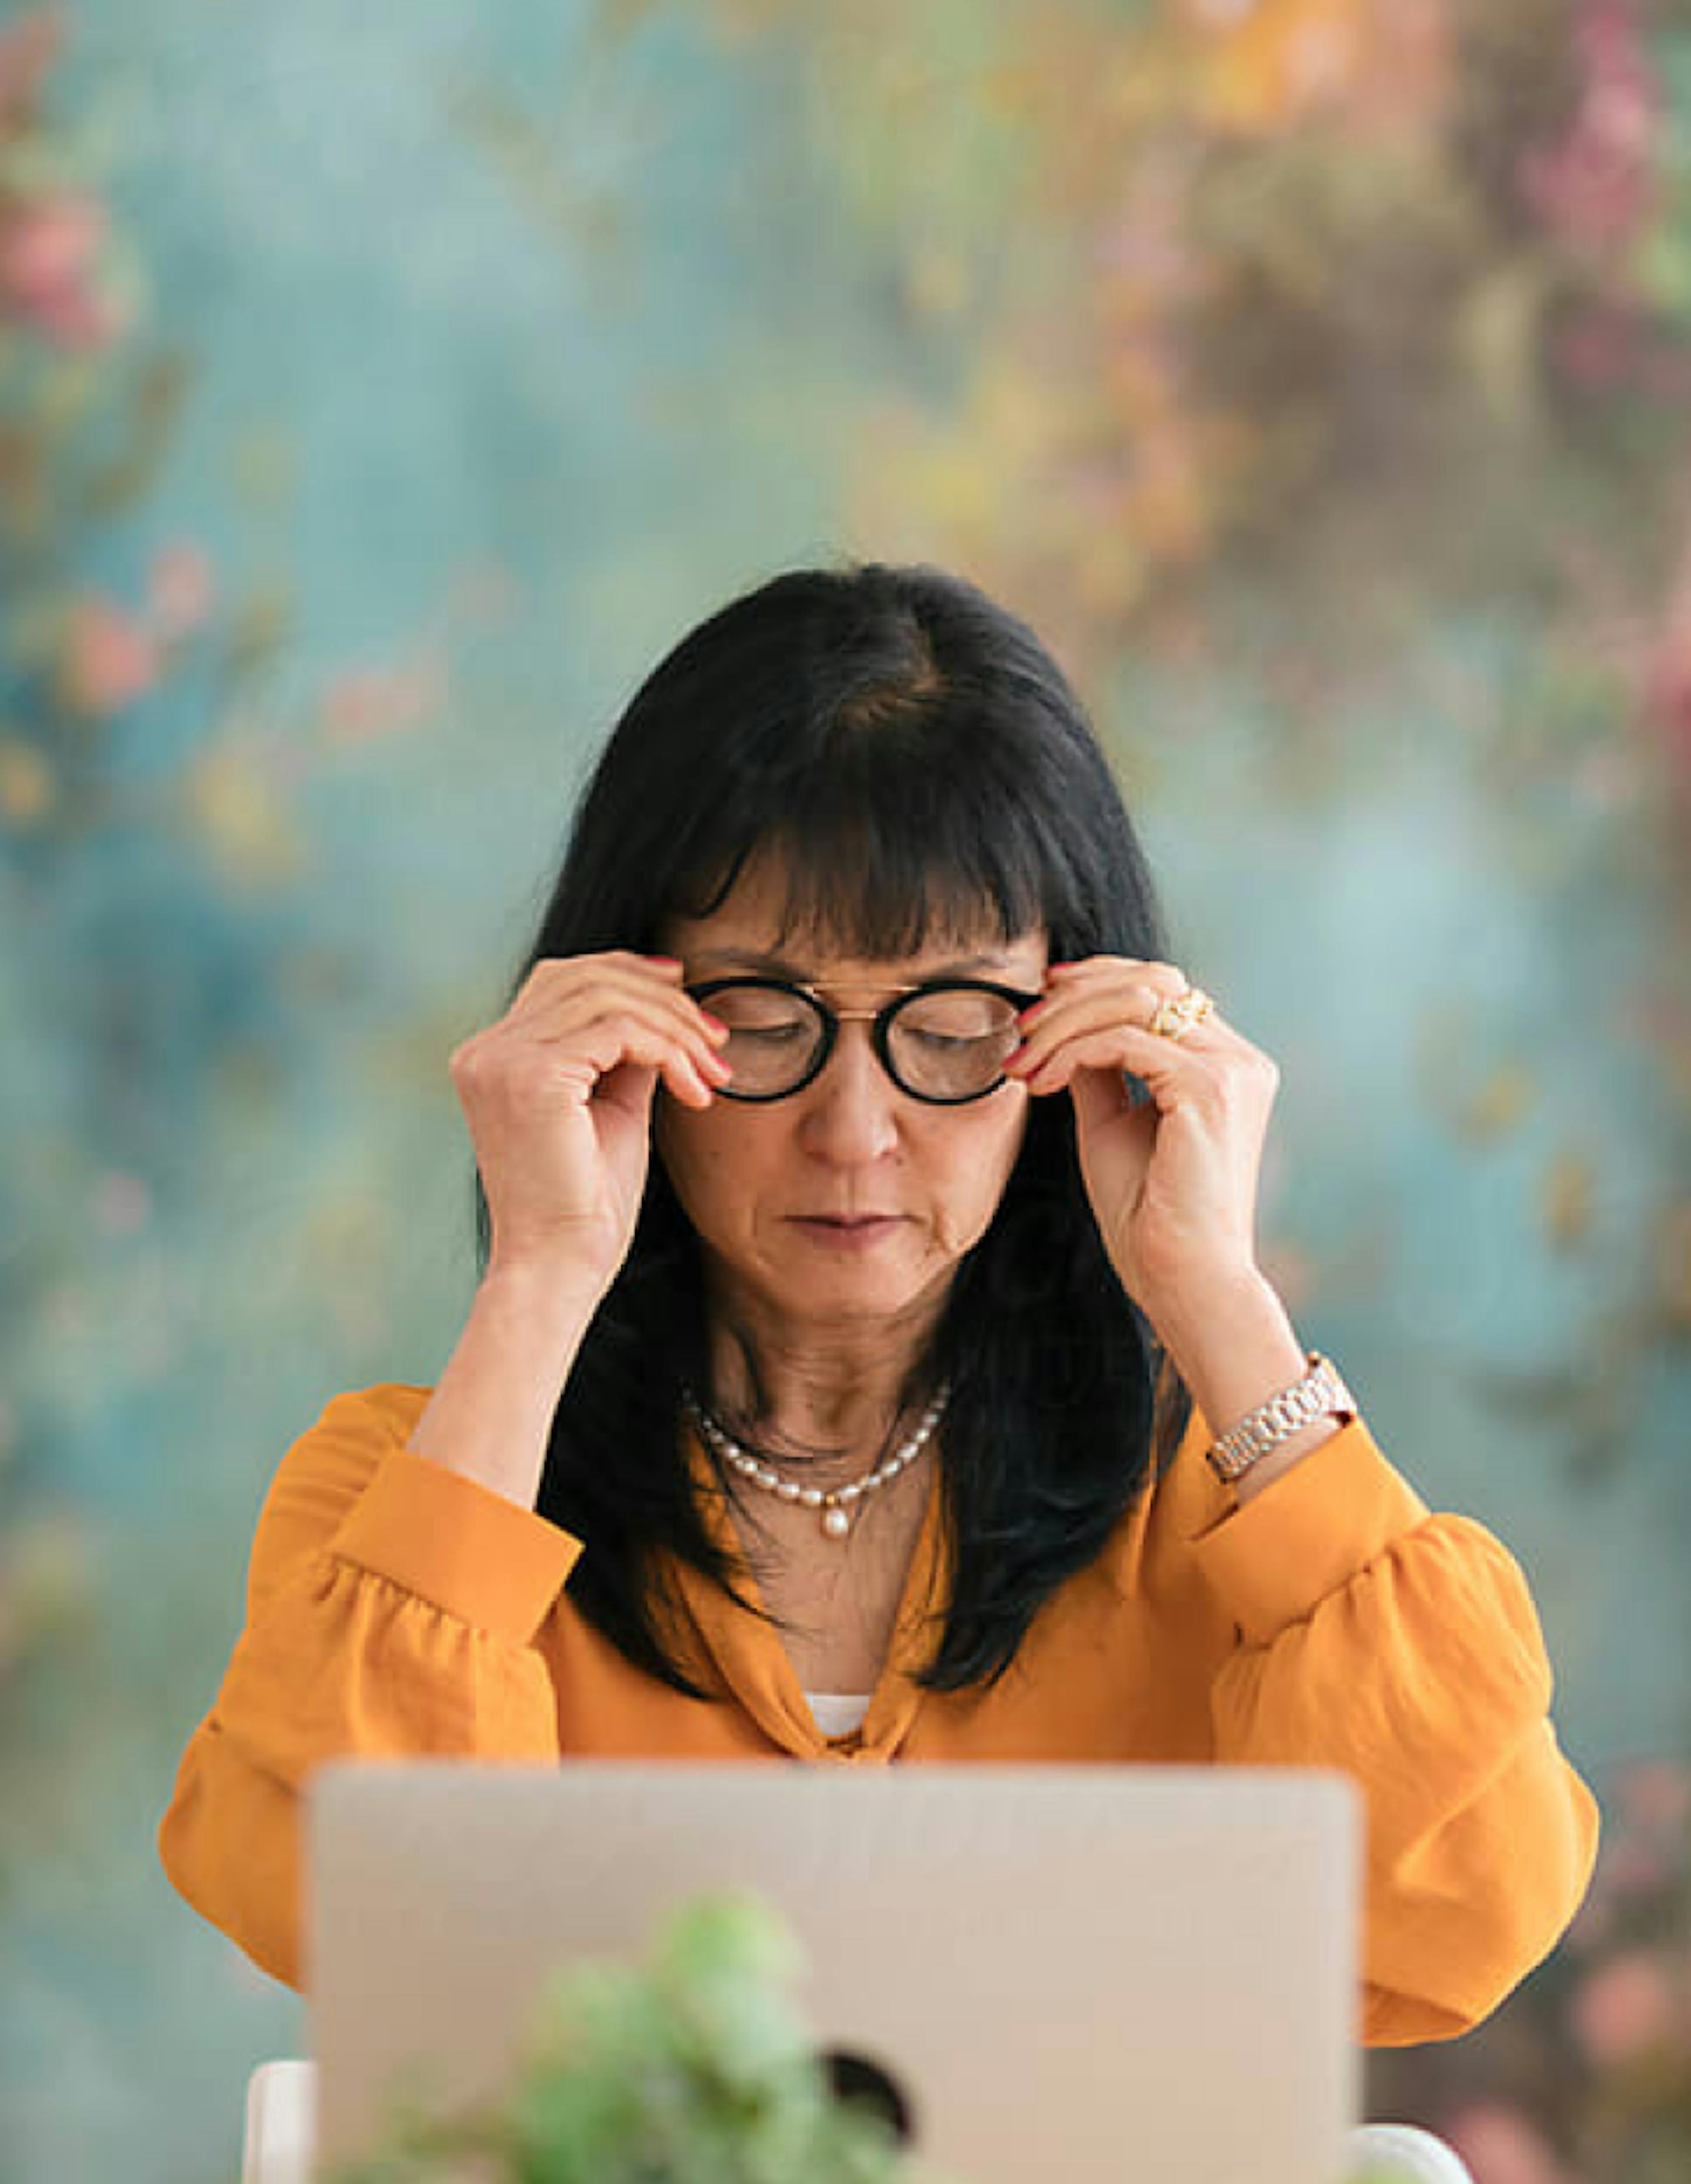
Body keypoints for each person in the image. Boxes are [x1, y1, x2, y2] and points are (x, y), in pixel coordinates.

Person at [158, 561, 1599, 2040]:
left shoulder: (1216, 1523)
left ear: (1079, 1039)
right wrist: (539, 1278)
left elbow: (1465, 1915)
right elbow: (356, 1930)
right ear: (627, 1024)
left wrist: (1219, 1296)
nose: (855, 1132)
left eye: (956, 1029)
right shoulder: (404, 1492)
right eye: (761, 1023)